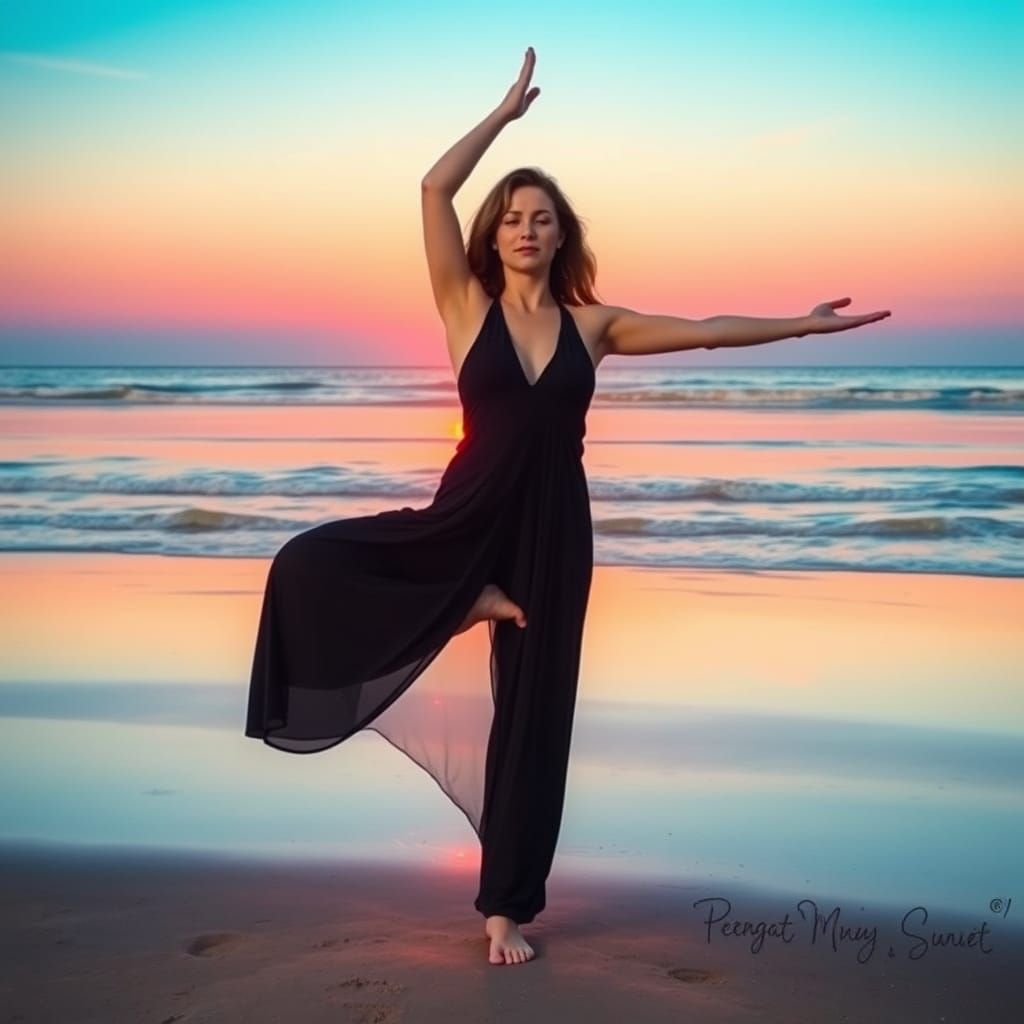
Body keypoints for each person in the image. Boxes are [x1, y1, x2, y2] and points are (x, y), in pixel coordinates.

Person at [246, 46, 892, 967]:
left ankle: (504, 910)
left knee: (537, 716)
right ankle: (467, 599)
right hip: (467, 514)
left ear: (561, 238)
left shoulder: (595, 326)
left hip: (554, 532)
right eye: (512, 217)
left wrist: (801, 323)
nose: (525, 229)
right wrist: (503, 115)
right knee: (306, 563)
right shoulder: (465, 308)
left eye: (541, 218)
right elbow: (433, 189)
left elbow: (707, 333)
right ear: (494, 235)